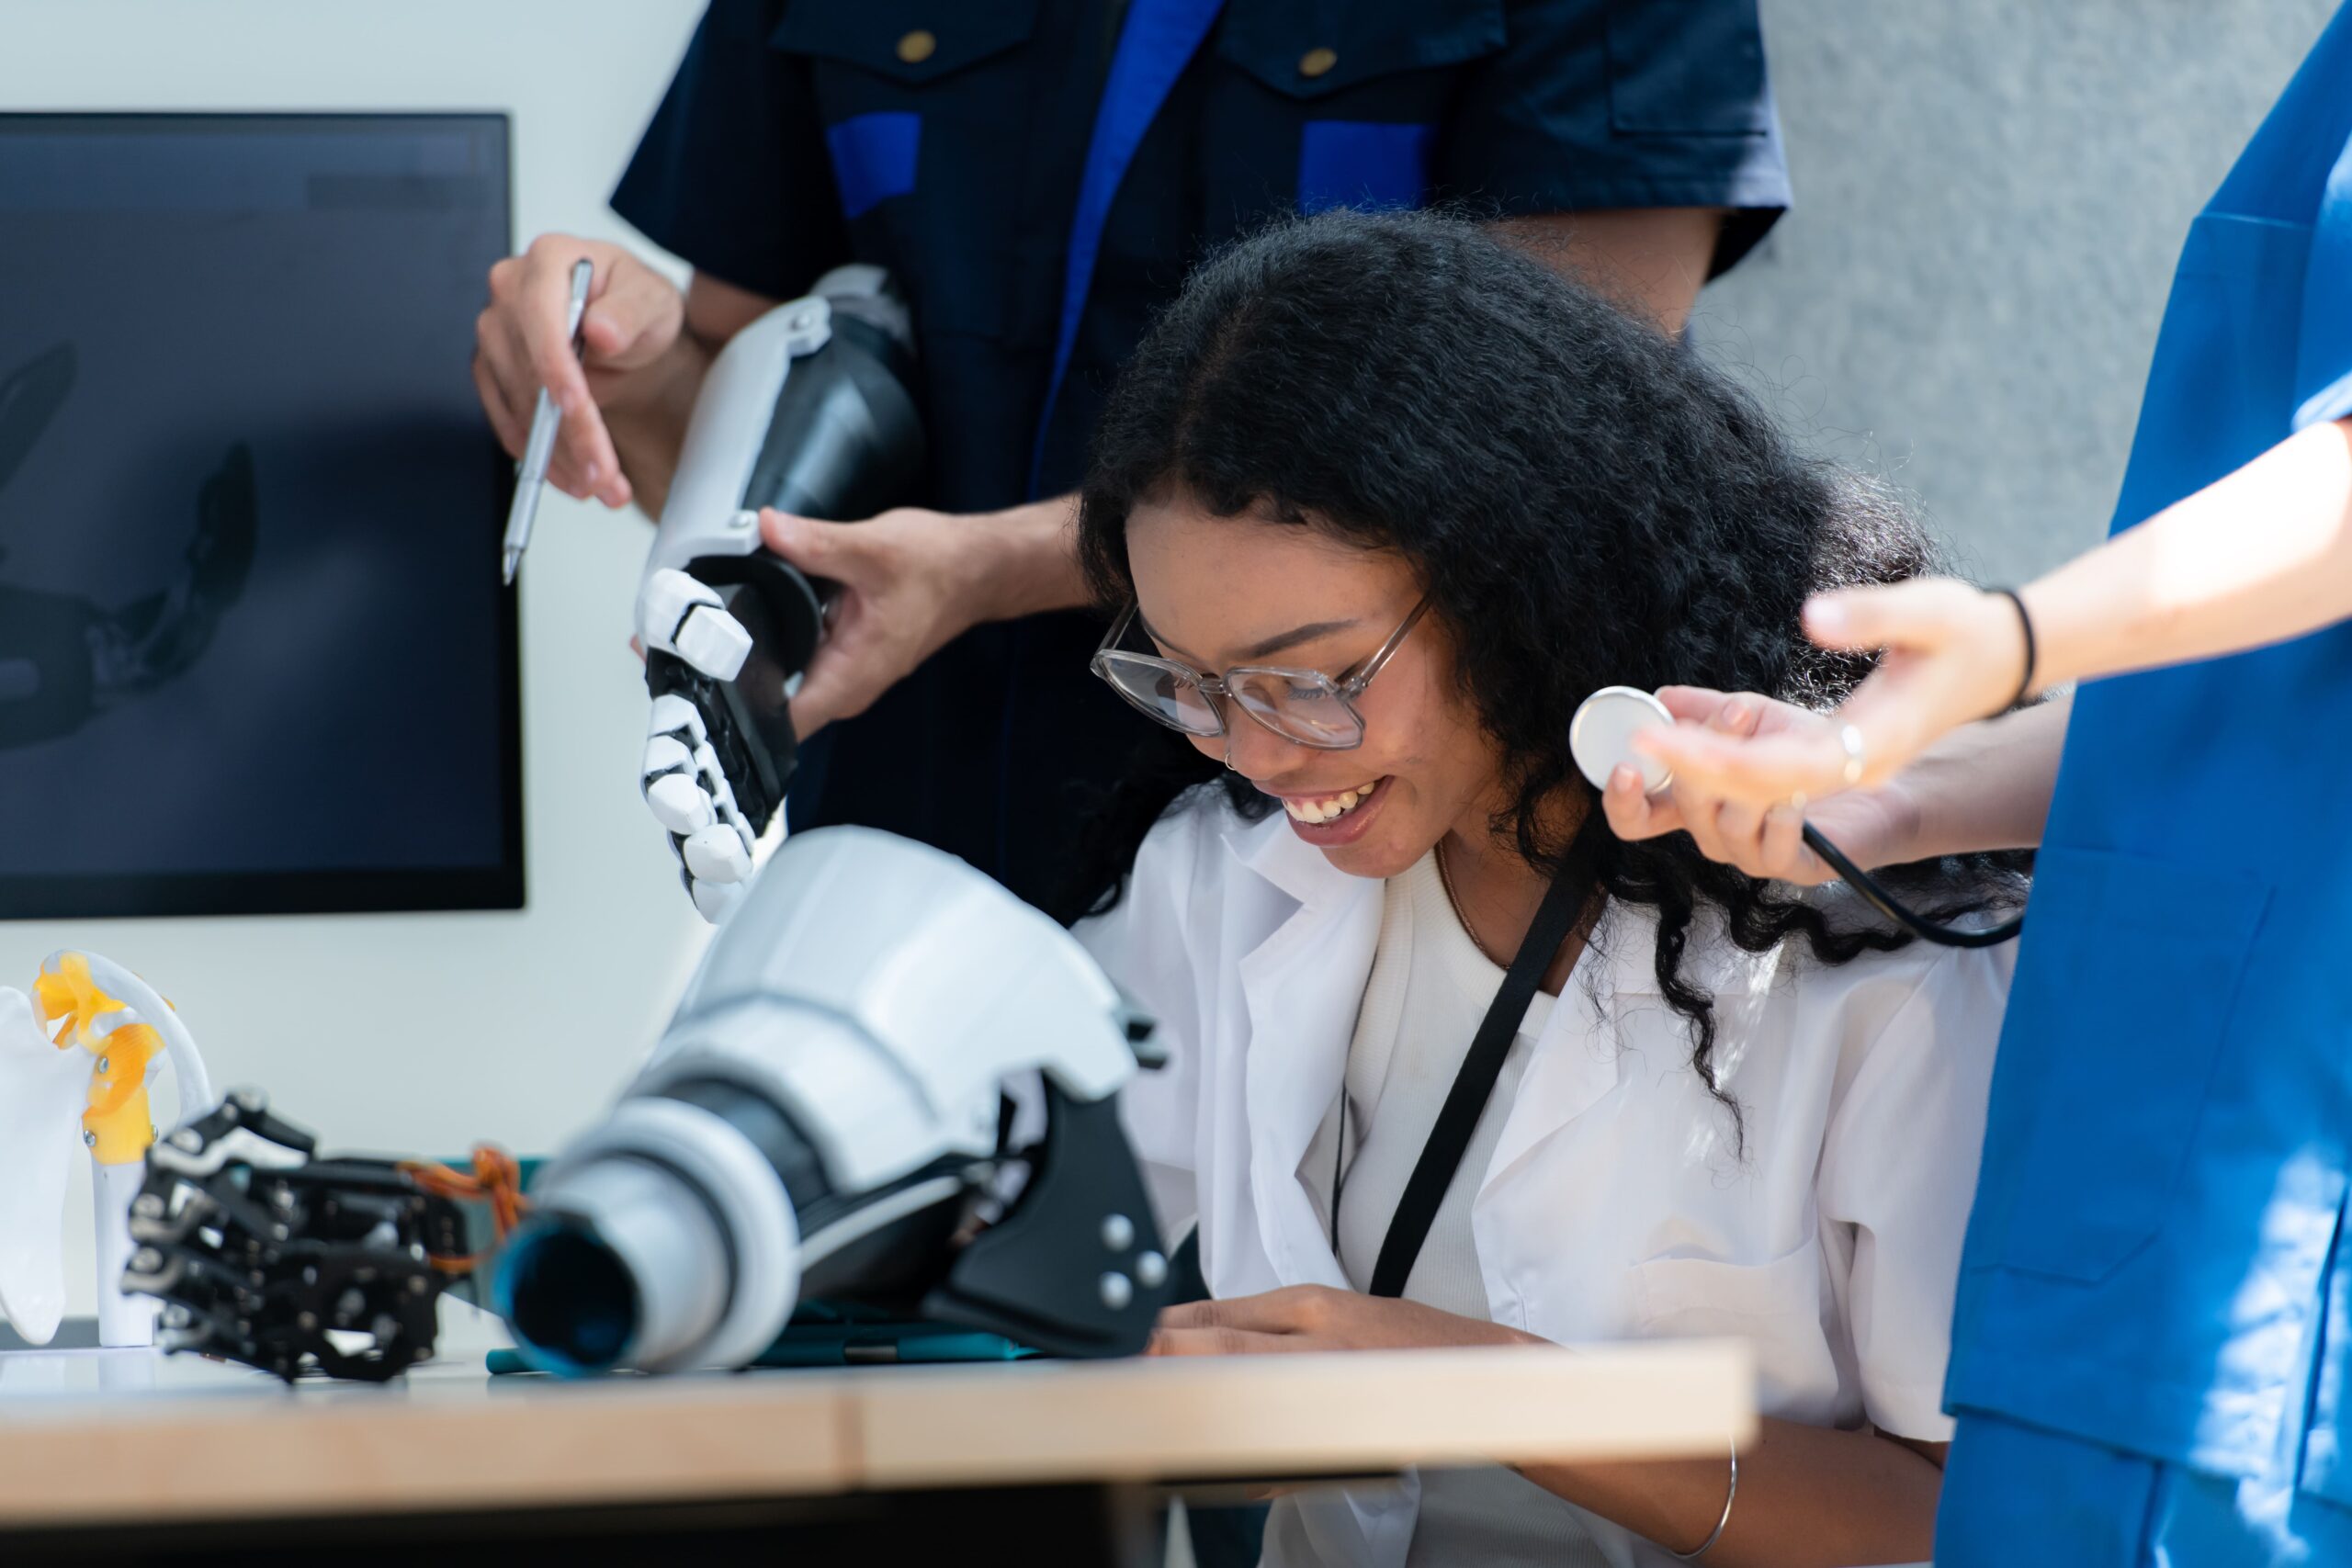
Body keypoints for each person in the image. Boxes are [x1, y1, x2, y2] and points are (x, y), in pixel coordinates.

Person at [1069, 209, 2019, 1568]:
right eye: (1193, 683)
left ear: (1521, 586)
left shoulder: (1879, 945)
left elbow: (1968, 1518)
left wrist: (1469, 1385)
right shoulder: (1224, 878)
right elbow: (1000, 1194)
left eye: (1313, 678)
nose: (1258, 750)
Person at [469, 0, 1793, 911]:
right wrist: (622, 376)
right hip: (903, 876)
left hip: (1347, 866)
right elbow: (756, 443)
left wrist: (991, 569)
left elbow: (1563, 424)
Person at [1604, 6, 2352, 1562]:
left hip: (2269, 1220)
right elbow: (2255, 708)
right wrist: (1885, 799)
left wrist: (2019, 636)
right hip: (2140, 1208)